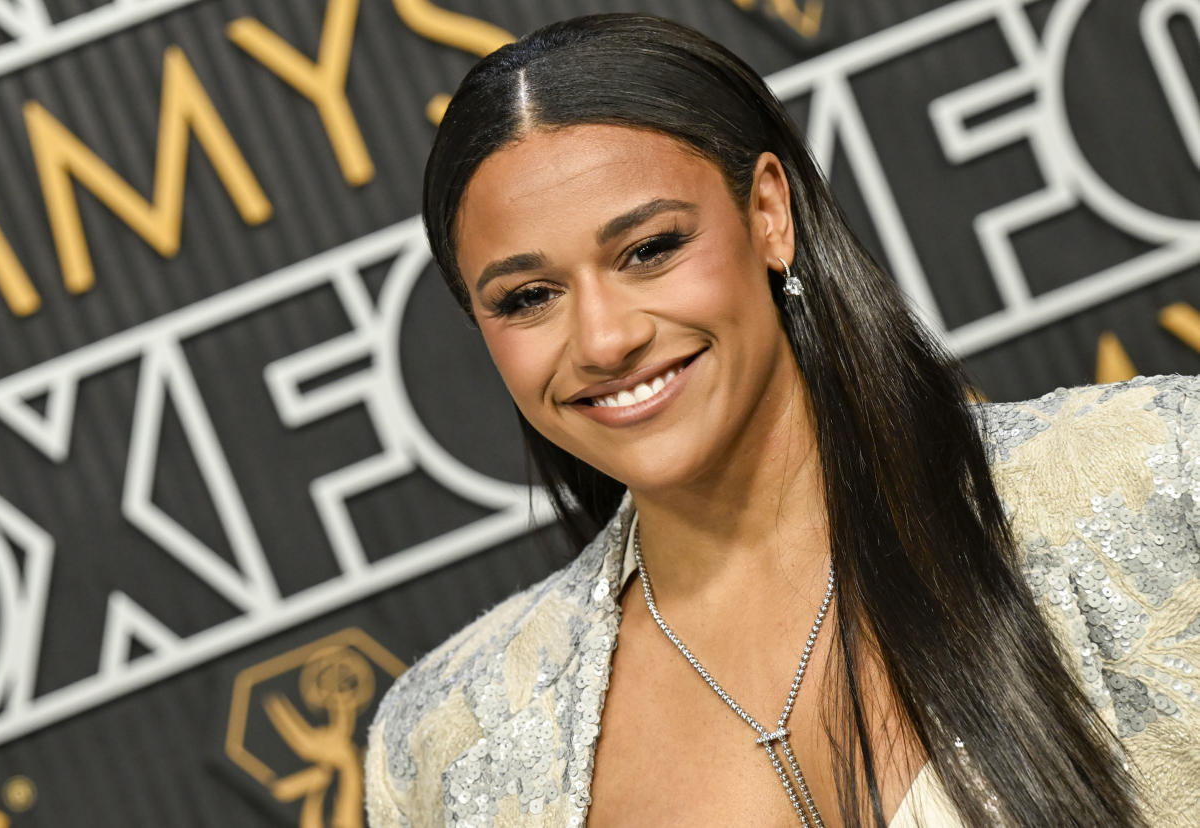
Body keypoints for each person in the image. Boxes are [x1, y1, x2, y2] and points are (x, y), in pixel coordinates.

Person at [365, 13, 1200, 827]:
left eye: (650, 250)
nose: (604, 338)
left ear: (768, 213)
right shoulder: (446, 746)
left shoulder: (1158, 477)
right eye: (528, 297)